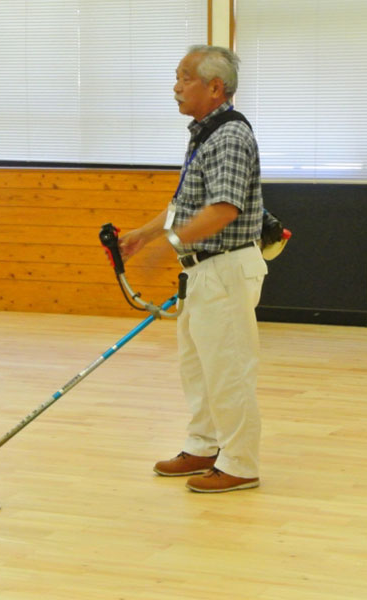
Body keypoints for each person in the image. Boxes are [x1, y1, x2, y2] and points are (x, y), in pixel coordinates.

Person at [119, 45, 266, 493]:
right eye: (177, 76)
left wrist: (173, 242)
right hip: (203, 271)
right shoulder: (205, 133)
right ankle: (204, 446)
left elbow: (223, 209)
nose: (176, 87)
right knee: (198, 367)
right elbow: (186, 203)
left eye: (185, 78)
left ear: (215, 87)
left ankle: (239, 464)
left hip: (225, 269)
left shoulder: (230, 136)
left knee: (228, 369)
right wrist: (146, 234)